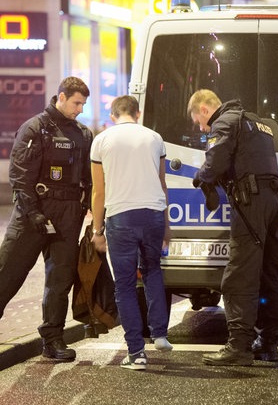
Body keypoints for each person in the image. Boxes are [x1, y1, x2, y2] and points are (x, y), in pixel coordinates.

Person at [187, 89, 278, 366]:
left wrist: (201, 177)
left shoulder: (225, 122)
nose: (201, 127)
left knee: (240, 274)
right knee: (269, 273)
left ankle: (239, 347)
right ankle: (267, 342)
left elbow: (214, 161)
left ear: (204, 110)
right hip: (273, 201)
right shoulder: (256, 122)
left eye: (199, 122)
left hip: (250, 202)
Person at [0, 76, 93, 361]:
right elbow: (19, 177)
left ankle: (52, 340)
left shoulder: (83, 134)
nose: (80, 109)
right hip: (32, 215)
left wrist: (86, 210)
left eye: (83, 104)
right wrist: (34, 213)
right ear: (61, 97)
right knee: (8, 273)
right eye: (77, 103)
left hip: (67, 217)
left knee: (60, 281)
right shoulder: (35, 128)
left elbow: (88, 179)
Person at [90, 95, 172, 371]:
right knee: (153, 271)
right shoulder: (155, 138)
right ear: (137, 113)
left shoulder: (101, 141)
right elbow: (162, 183)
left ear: (113, 115)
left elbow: (98, 191)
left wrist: (96, 229)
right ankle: (160, 333)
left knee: (124, 284)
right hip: (152, 215)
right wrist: (167, 225)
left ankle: (136, 353)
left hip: (120, 217)